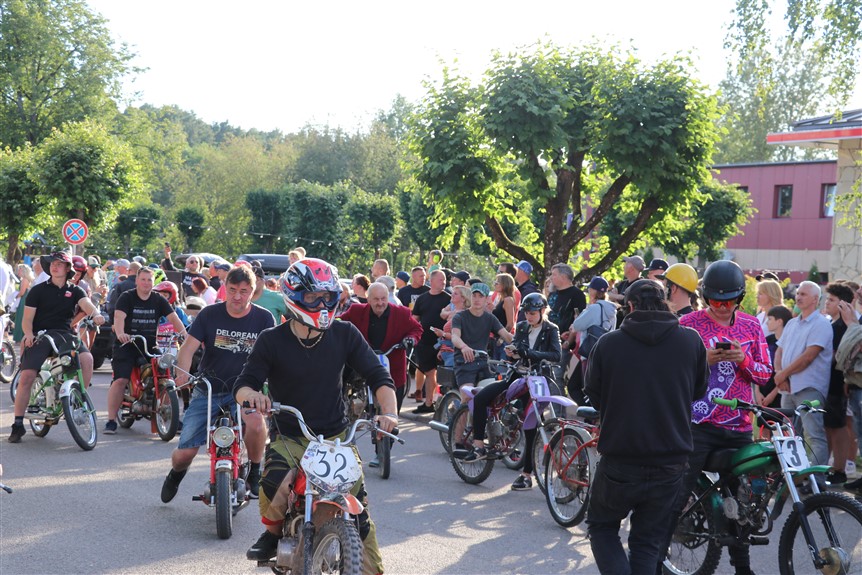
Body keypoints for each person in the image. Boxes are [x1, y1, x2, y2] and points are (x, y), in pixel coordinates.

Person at [233, 258, 397, 573]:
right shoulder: (272, 339)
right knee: (274, 483)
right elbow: (243, 384)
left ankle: (370, 569)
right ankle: (272, 534)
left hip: (336, 439)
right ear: (293, 296)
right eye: (312, 297)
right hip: (291, 437)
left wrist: (390, 413)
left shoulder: (345, 333)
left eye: (327, 297)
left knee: (360, 515)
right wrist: (252, 396)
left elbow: (379, 376)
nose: (322, 304)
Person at [585, 279, 708, 575]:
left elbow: (594, 392)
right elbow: (698, 389)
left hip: (621, 455)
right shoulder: (690, 341)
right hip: (670, 458)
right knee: (647, 542)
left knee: (602, 527)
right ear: (665, 302)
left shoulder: (609, 343)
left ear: (629, 306)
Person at [669, 260, 772, 575]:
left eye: (729, 301)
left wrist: (743, 360)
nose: (723, 307)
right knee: (678, 492)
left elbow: (765, 375)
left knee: (743, 504)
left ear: (740, 298)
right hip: (697, 424)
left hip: (739, 427)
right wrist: (704, 360)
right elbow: (671, 372)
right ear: (705, 298)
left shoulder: (752, 326)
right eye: (716, 302)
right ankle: (655, 558)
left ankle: (743, 567)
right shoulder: (687, 324)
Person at [159, 265, 275, 503]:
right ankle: (175, 475)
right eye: (232, 290)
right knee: (184, 453)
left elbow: (275, 357)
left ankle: (254, 470)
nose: (237, 296)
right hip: (208, 387)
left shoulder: (264, 318)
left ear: (253, 291)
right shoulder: (209, 314)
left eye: (244, 291)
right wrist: (182, 374)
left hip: (245, 390)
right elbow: (188, 349)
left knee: (256, 424)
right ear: (224, 288)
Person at [8, 252, 105, 443]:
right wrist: (29, 334)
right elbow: (27, 320)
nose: (54, 266)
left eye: (60, 264)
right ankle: (18, 423)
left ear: (68, 269)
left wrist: (96, 314)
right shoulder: (37, 290)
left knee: (87, 359)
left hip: (64, 335)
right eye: (53, 263)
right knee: (27, 376)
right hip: (40, 335)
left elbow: (86, 304)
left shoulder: (75, 291)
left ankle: (78, 402)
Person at [103, 268, 187, 434]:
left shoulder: (158, 299)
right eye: (143, 279)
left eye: (149, 280)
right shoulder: (126, 297)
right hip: (127, 344)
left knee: (164, 373)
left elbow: (173, 318)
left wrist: (184, 334)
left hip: (149, 345)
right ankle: (111, 420)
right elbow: (119, 318)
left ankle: (171, 416)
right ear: (137, 281)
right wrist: (120, 334)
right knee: (121, 379)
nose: (146, 283)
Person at [505, 293, 562, 490]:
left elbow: (556, 355)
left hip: (538, 379)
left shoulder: (551, 329)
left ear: (542, 311)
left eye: (532, 313)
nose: (528, 316)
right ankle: (489, 441)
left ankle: (526, 473)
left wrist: (530, 353)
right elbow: (517, 350)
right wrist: (512, 352)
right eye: (526, 313)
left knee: (532, 424)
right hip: (519, 376)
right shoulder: (522, 327)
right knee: (494, 398)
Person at [774, 280, 832, 471]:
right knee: (789, 435)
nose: (798, 297)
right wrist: (780, 374)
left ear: (815, 299)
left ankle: (817, 480)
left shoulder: (822, 324)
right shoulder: (792, 323)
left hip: (809, 388)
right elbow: (779, 351)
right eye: (798, 293)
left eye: (803, 294)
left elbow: (808, 357)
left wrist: (783, 374)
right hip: (787, 387)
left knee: (813, 435)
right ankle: (793, 478)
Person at [452, 282, 514, 460]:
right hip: (464, 362)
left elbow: (506, 335)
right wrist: (464, 347)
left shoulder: (490, 318)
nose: (477, 299)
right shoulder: (460, 316)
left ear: (487, 299)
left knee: (495, 398)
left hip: (483, 363)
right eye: (474, 295)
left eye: (481, 296)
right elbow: (455, 336)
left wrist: (521, 347)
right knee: (467, 397)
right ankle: (458, 442)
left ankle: (494, 438)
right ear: (470, 297)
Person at [341, 282, 423, 415]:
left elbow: (416, 329)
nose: (380, 303)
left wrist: (411, 339)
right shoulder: (356, 311)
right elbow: (340, 323)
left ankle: (391, 422)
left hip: (392, 363)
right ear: (368, 299)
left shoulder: (401, 313)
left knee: (394, 406)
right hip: (363, 362)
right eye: (376, 299)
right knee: (342, 377)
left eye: (383, 299)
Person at [820, 282, 856, 484]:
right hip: (827, 383)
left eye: (832, 300)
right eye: (827, 299)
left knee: (838, 426)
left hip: (837, 383)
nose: (827, 303)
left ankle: (839, 469)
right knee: (828, 427)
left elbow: (841, 355)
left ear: (843, 304)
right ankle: (828, 467)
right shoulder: (831, 325)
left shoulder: (843, 327)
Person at [411, 269, 451, 414]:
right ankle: (429, 403)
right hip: (425, 342)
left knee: (445, 375)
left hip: (445, 342)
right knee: (429, 372)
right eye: (441, 280)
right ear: (432, 281)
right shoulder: (422, 299)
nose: (444, 282)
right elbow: (415, 319)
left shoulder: (448, 299)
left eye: (445, 280)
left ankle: (446, 404)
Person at [756, 305, 793, 409]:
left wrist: (773, 394)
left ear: (779, 321)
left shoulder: (789, 342)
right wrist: (757, 392)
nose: (767, 322)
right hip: (762, 390)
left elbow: (786, 371)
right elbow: (758, 364)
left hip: (779, 392)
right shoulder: (767, 340)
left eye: (770, 319)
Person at [547, 263, 587, 338]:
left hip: (564, 339)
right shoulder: (552, 293)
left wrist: (570, 337)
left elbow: (579, 318)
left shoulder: (577, 294)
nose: (551, 278)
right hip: (547, 337)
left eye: (554, 275)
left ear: (563, 277)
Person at [490, 273, 516, 359]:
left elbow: (510, 323)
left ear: (504, 285)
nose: (495, 284)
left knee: (502, 365)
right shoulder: (501, 300)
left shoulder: (508, 300)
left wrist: (501, 339)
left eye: (497, 283)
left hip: (503, 341)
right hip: (497, 338)